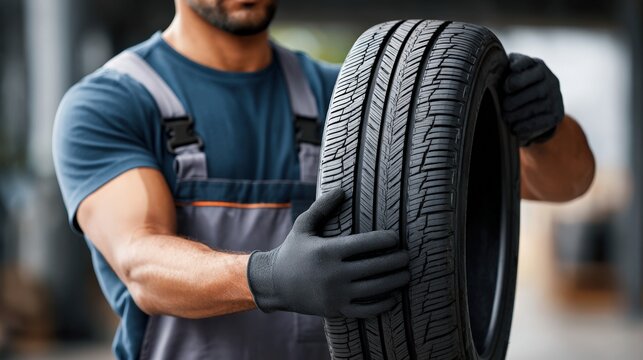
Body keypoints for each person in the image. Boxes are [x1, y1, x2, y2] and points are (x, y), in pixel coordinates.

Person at [52, 0, 595, 359]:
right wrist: (266, 278)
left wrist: (543, 129)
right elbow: (141, 264)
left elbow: (563, 185)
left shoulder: (359, 97)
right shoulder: (110, 102)